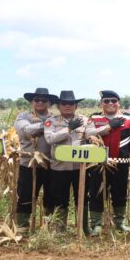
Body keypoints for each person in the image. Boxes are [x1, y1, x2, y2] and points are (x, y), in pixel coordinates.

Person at [85, 90, 130, 235]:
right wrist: (108, 127)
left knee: (120, 193)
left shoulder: (128, 118)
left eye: (113, 101)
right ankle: (96, 224)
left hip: (121, 162)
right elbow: (88, 134)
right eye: (106, 101)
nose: (110, 103)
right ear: (101, 103)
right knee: (96, 193)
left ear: (119, 103)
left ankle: (120, 223)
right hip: (98, 163)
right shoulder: (94, 118)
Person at [14, 88, 58, 233]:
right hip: (29, 163)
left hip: (50, 164)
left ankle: (48, 223)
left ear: (49, 103)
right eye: (37, 100)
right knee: (25, 194)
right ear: (32, 102)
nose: (40, 102)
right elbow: (25, 131)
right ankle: (23, 225)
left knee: (51, 195)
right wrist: (47, 124)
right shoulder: (23, 117)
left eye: (44, 100)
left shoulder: (56, 118)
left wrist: (46, 125)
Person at [43, 90, 87, 233]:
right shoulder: (51, 121)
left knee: (82, 197)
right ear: (58, 106)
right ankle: (60, 229)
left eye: (71, 103)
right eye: (64, 103)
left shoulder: (84, 120)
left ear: (76, 106)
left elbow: (91, 134)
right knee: (60, 198)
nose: (68, 106)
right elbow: (50, 139)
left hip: (80, 167)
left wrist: (107, 128)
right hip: (60, 167)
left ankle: (83, 228)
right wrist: (68, 129)